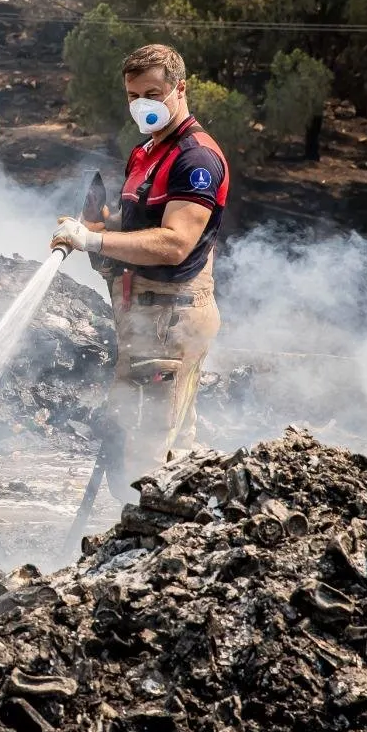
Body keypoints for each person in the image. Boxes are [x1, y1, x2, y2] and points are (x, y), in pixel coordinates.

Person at [50, 44, 229, 494]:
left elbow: (175, 243)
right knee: (160, 444)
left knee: (151, 453)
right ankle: (167, 540)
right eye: (133, 95)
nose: (141, 105)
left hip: (171, 318)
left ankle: (154, 548)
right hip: (146, 317)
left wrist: (93, 240)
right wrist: (99, 225)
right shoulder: (147, 151)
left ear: (179, 89)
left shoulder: (196, 160)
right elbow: (141, 225)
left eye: (152, 93)